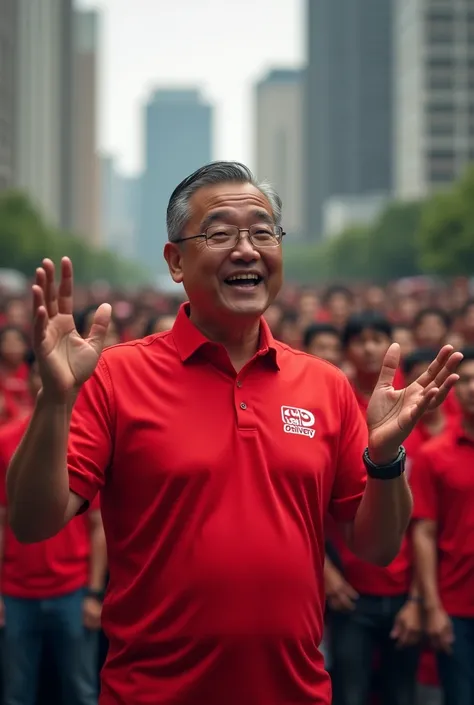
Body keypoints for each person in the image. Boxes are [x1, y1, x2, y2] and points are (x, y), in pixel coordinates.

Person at [6, 162, 461, 705]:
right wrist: (55, 399)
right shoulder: (114, 375)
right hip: (150, 693)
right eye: (220, 233)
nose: (246, 249)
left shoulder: (324, 385)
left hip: (296, 692)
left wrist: (385, 460)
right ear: (175, 261)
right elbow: (33, 523)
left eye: (263, 231)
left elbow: (377, 548)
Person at [326, 313, 422, 705]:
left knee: (403, 693)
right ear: (346, 348)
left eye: (377, 339)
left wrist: (419, 598)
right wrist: (326, 574)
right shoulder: (336, 404)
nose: (368, 348)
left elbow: (428, 522)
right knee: (351, 691)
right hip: (349, 588)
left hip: (405, 587)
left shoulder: (412, 404)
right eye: (359, 340)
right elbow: (309, 504)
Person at [0, 352, 107, 705]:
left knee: (82, 692)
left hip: (72, 590)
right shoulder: (5, 441)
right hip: (15, 592)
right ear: (29, 380)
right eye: (40, 373)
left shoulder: (88, 436)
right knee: (17, 693)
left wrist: (93, 594)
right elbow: (2, 521)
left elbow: (97, 527)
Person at [411, 348, 474, 705]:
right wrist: (431, 605)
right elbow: (424, 532)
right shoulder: (435, 454)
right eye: (468, 381)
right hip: (456, 608)